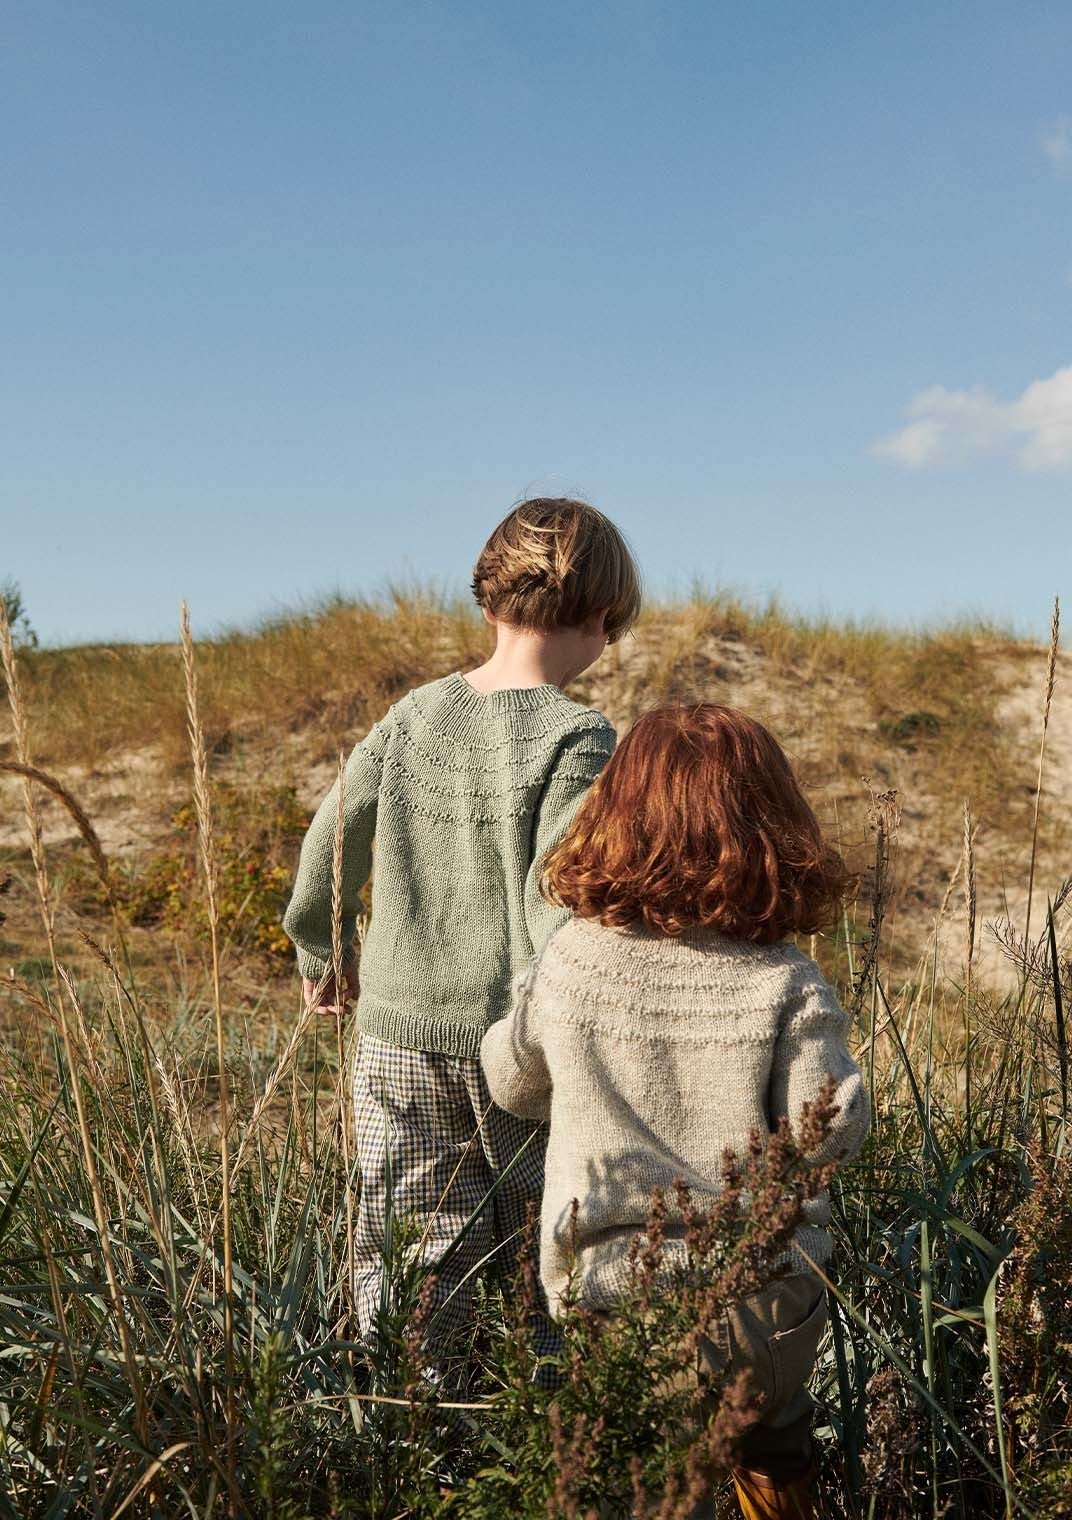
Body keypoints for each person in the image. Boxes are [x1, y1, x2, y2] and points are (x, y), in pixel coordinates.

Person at [480, 704, 869, 1519]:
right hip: (762, 1300)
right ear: (770, 826)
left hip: (611, 1290)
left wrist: (531, 1006)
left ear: (615, 816)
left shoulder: (575, 958)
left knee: (653, 1480)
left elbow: (513, 1084)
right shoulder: (783, 978)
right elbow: (827, 1129)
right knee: (776, 1438)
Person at [283, 497, 641, 1368]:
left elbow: (333, 839)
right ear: (600, 622)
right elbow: (556, 895)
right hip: (510, 1049)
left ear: (489, 605)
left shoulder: (413, 716)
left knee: (407, 1242)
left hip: (397, 1037)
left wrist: (322, 950)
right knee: (538, 1241)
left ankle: (409, 1414)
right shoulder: (580, 735)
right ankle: (530, 1420)